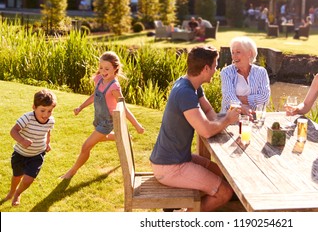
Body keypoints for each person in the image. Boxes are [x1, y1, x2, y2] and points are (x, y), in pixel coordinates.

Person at [150, 45, 239, 212]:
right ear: (206, 68)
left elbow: (209, 111)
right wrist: (227, 120)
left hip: (175, 157)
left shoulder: (190, 84)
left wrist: (221, 124)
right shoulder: (185, 92)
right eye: (215, 66)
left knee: (220, 171)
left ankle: (183, 204)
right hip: (170, 167)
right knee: (224, 192)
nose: (216, 70)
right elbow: (205, 131)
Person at [61, 51, 144, 179]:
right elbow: (95, 96)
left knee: (86, 146)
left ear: (115, 68)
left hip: (107, 121)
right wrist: (81, 107)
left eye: (107, 68)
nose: (103, 71)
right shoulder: (99, 79)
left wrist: (137, 125)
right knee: (101, 138)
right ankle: (122, 137)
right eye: (101, 68)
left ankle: (72, 171)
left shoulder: (114, 87)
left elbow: (123, 107)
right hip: (99, 118)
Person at [3, 89, 57, 206]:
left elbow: (48, 131)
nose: (46, 114)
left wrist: (47, 143)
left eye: (50, 111)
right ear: (34, 107)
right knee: (17, 176)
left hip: (37, 154)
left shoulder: (50, 121)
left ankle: (18, 193)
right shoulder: (27, 118)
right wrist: (22, 141)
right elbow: (13, 131)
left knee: (28, 179)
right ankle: (12, 191)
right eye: (42, 110)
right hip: (20, 153)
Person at [220, 36, 270, 114]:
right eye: (232, 52)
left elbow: (265, 98)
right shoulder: (226, 72)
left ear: (249, 53)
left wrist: (239, 99)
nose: (234, 56)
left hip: (255, 118)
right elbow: (228, 97)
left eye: (238, 52)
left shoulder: (261, 72)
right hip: (231, 119)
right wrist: (243, 107)